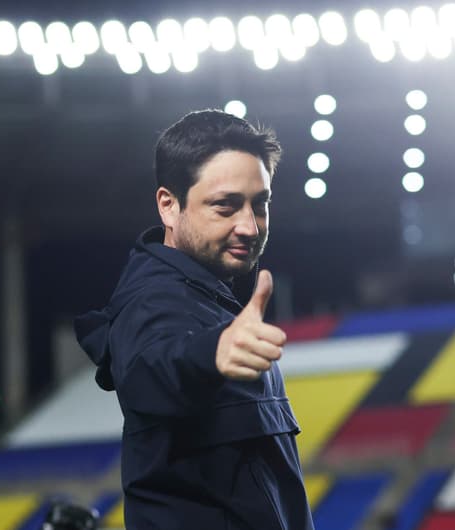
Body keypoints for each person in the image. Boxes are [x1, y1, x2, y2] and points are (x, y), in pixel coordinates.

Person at [74, 110, 314, 530]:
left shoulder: (209, 300)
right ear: (169, 206)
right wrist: (209, 352)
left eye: (260, 204)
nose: (250, 226)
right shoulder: (152, 301)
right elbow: (154, 364)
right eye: (226, 206)